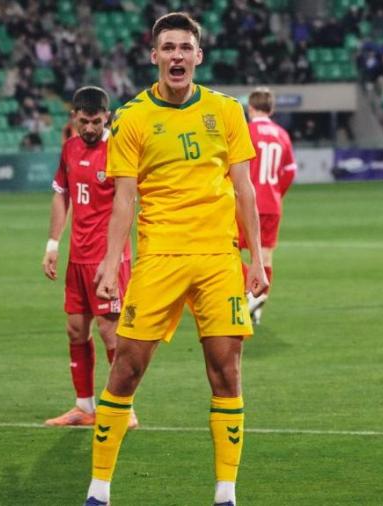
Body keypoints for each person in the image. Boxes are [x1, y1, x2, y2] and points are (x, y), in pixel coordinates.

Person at [84, 12, 268, 506]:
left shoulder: (226, 111)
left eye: (185, 47)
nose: (177, 56)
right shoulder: (131, 117)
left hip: (217, 258)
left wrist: (256, 258)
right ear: (154, 56)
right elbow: (125, 198)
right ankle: (98, 491)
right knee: (126, 368)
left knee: (226, 372)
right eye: (168, 48)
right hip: (159, 256)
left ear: (198, 56)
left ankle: (226, 494)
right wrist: (110, 262)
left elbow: (244, 188)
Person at [41, 86, 137, 429]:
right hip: (78, 258)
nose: (91, 128)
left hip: (109, 260)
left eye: (97, 121)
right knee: (75, 330)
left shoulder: (119, 150)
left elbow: (127, 206)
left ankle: (123, 409)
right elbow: (61, 194)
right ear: (74, 118)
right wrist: (53, 244)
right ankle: (84, 407)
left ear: (107, 117)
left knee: (111, 333)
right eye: (84, 121)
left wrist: (113, 260)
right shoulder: (69, 148)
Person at [241, 87, 296, 325]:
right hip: (272, 204)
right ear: (271, 109)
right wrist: (276, 193)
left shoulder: (246, 131)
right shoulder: (282, 134)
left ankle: (249, 295)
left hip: (246, 204)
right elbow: (290, 171)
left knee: (230, 250)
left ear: (250, 108)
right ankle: (258, 302)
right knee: (265, 256)